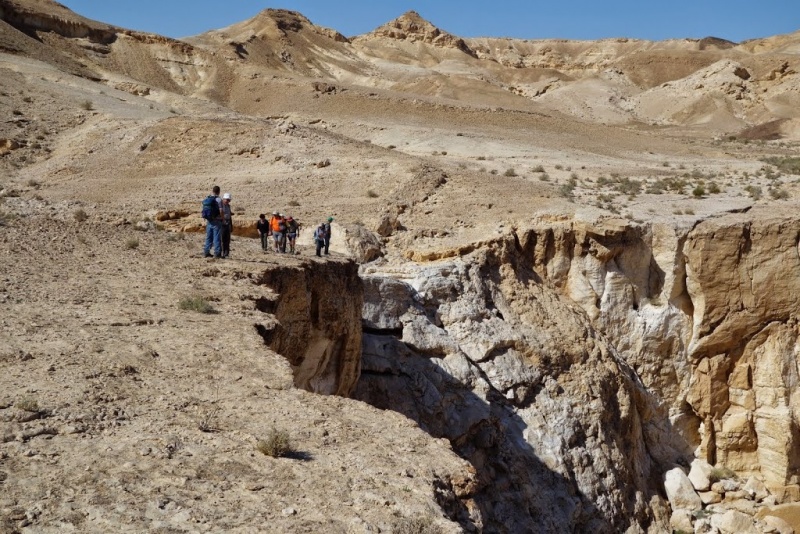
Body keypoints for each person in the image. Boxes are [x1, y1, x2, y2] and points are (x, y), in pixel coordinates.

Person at [202, 185, 223, 258]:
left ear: (213, 191)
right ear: (219, 191)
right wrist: (222, 217)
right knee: (216, 237)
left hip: (209, 220)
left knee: (209, 237)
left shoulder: (208, 198)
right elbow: (220, 210)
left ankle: (206, 252)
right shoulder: (219, 199)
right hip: (216, 221)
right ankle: (217, 253)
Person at [220, 193, 233, 258]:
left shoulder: (228, 206)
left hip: (227, 224)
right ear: (224, 198)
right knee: (221, 239)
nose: (228, 201)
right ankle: (220, 253)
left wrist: (231, 225)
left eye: (229, 200)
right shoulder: (220, 205)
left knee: (227, 240)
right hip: (222, 224)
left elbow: (230, 216)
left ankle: (226, 253)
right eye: (227, 200)